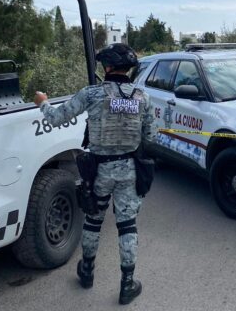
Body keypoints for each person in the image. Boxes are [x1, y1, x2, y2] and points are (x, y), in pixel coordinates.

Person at [34, 43, 153, 305]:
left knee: (93, 221)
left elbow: (56, 118)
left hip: (99, 170)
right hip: (130, 169)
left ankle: (87, 272)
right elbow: (150, 136)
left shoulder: (92, 94)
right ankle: (127, 283)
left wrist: (42, 103)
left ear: (107, 67)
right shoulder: (143, 98)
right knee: (127, 225)